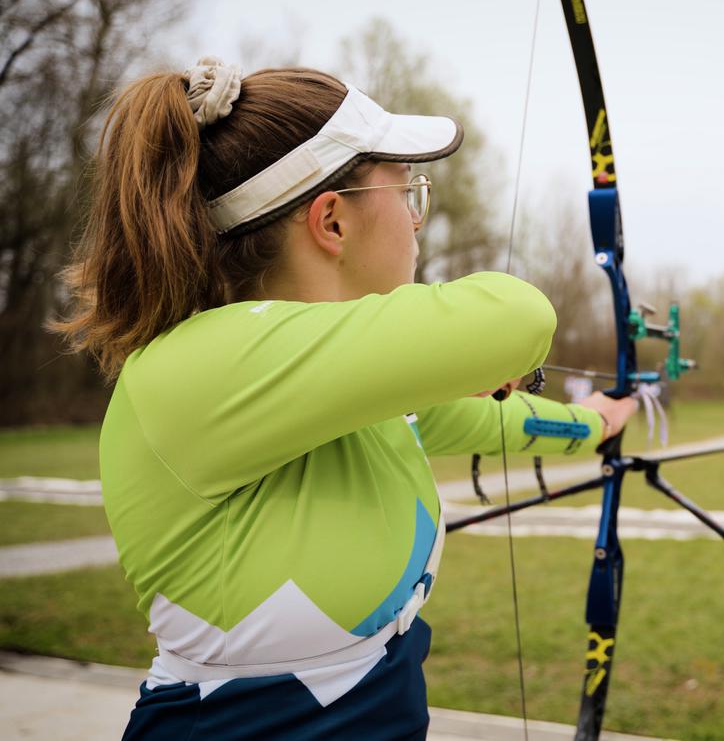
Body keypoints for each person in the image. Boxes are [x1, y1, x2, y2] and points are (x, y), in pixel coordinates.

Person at [51, 56, 638, 740]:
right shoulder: (203, 365)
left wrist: (592, 425)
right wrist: (457, 350)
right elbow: (519, 317)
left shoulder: (332, 386)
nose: (417, 220)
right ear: (332, 220)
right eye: (408, 191)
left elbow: (486, 416)